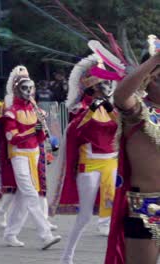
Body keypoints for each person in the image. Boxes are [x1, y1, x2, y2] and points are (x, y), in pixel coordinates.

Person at [48, 54, 118, 264]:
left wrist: (110, 108)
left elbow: (120, 128)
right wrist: (93, 108)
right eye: (102, 83)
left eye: (107, 83)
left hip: (111, 163)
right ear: (92, 87)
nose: (106, 86)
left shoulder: (111, 107)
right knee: (85, 216)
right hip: (90, 165)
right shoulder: (82, 109)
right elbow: (77, 131)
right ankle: (67, 255)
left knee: (118, 213)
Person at [105, 39, 160, 264]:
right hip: (146, 207)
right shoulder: (138, 111)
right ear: (149, 82)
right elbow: (120, 96)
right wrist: (155, 60)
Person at [0, 65, 61, 249]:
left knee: (23, 198)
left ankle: (10, 234)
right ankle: (45, 235)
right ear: (17, 90)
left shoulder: (35, 110)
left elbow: (39, 137)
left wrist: (42, 130)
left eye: (30, 88)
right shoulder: (10, 113)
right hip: (18, 156)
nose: (28, 92)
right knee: (31, 195)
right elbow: (13, 138)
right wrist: (34, 130)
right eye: (24, 88)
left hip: (34, 155)